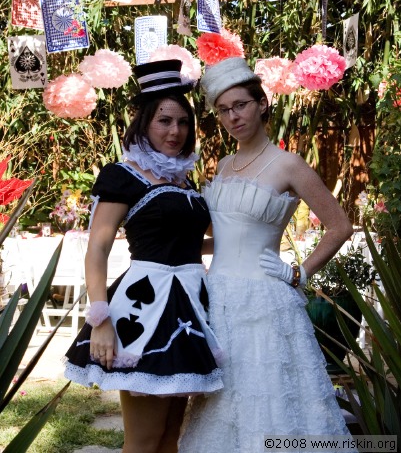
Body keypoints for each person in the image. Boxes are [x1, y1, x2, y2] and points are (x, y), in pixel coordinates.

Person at [178, 57, 354, 453]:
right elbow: (226, 238)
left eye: (240, 105)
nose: (233, 116)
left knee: (270, 401)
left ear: (261, 103)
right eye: (224, 110)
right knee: (222, 405)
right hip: (217, 300)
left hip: (265, 303)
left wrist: (299, 273)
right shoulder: (224, 165)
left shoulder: (288, 164)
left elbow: (340, 227)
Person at [65, 59, 223, 453]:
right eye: (164, 121)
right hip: (144, 310)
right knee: (144, 440)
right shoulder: (124, 175)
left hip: (190, 309)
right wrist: (100, 319)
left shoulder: (183, 180)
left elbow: (188, 245)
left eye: (183, 122)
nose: (175, 131)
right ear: (144, 124)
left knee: (171, 438)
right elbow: (98, 248)